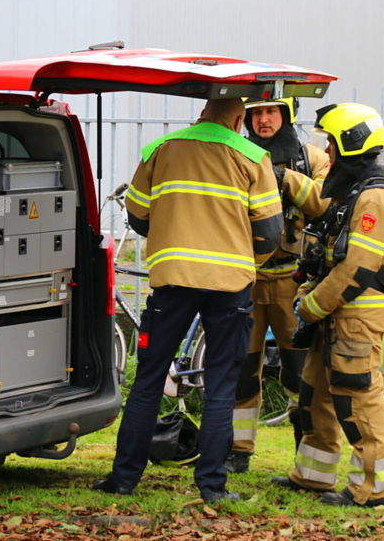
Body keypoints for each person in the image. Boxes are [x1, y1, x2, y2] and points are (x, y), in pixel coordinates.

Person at [93, 97, 283, 504]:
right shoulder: (253, 156)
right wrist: (245, 262)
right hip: (230, 285)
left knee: (147, 381)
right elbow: (269, 231)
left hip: (172, 280)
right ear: (237, 120)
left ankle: (123, 480)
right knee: (220, 386)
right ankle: (212, 487)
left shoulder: (161, 150)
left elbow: (138, 214)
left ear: (201, 115)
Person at [271, 103, 384, 508]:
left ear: (351, 143)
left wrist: (310, 306)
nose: (326, 152)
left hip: (355, 317)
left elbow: (356, 271)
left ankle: (372, 489)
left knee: (357, 398)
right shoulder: (355, 193)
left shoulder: (377, 199)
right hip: (335, 313)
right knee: (317, 393)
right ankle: (312, 475)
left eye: (331, 142)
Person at [224, 96, 330, 474]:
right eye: (255, 114)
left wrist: (284, 178)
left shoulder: (313, 159)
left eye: (271, 113)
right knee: (242, 369)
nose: (263, 120)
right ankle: (238, 450)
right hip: (247, 279)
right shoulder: (235, 155)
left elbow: (324, 203)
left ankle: (306, 452)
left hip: (292, 281)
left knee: (298, 371)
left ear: (286, 116)